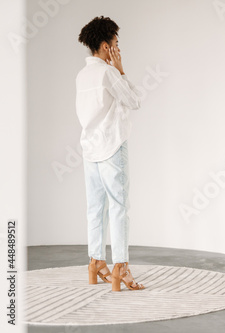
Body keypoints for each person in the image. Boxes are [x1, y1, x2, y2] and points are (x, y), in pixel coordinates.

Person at [76, 16, 144, 291]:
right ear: (105, 46)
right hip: (112, 147)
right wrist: (121, 69)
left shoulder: (82, 75)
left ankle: (95, 263)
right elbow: (135, 100)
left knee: (95, 208)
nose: (117, 49)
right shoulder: (108, 72)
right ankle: (121, 268)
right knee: (119, 207)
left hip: (89, 148)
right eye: (116, 44)